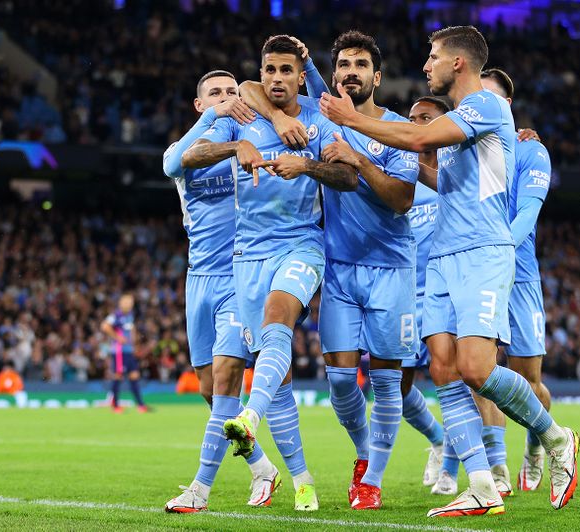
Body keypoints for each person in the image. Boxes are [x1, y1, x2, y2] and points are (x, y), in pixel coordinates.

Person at [320, 25, 579, 517]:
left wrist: (351, 121)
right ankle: (481, 482)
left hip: (483, 252)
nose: (426, 65)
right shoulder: (464, 121)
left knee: (477, 368)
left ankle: (557, 437)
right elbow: (439, 176)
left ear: (459, 63)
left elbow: (417, 136)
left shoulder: (486, 106)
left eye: (433, 56)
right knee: (442, 369)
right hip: (440, 257)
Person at [240, 31, 418, 511]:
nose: (351, 72)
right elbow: (249, 87)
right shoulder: (322, 118)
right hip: (340, 267)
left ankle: (372, 479)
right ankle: (364, 452)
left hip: (392, 269)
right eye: (343, 64)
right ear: (332, 73)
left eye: (361, 64)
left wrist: (354, 158)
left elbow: (402, 200)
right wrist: (280, 117)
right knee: (340, 382)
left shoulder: (398, 128)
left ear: (376, 77)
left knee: (384, 381)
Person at [181, 34, 358, 512]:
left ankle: (248, 419)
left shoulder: (318, 120)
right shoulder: (242, 114)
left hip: (301, 246)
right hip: (246, 258)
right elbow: (189, 156)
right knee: (273, 380)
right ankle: (301, 479)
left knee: (279, 317)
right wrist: (233, 147)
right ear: (261, 75)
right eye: (269, 71)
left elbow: (349, 176)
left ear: (301, 76)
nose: (277, 79)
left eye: (286, 71)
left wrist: (307, 165)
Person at [162, 70, 282, 513]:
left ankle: (199, 490)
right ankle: (261, 468)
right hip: (199, 282)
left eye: (233, 92)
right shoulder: (191, 152)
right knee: (212, 392)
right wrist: (217, 118)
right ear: (201, 105)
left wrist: (240, 135)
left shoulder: (250, 144)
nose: (229, 99)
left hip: (239, 279)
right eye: (216, 94)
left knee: (229, 378)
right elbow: (172, 164)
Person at [473, 68, 554, 496]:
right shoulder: (469, 144)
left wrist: (500, 247)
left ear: (506, 105)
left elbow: (528, 213)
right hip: (480, 270)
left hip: (518, 273)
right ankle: (497, 465)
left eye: (490, 98)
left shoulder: (529, 151)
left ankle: (536, 447)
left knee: (528, 379)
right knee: (481, 372)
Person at [405, 96, 464, 496]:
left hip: (448, 295)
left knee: (453, 384)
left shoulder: (462, 174)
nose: (417, 124)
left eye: (426, 118)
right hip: (405, 298)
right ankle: (437, 436)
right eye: (411, 119)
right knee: (395, 387)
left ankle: (452, 470)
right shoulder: (402, 175)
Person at [100, 293, 148, 414]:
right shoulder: (116, 315)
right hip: (119, 351)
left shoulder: (129, 315)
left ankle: (141, 405)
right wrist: (117, 337)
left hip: (129, 351)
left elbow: (131, 330)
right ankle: (115, 405)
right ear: (122, 303)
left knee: (134, 375)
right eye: (128, 302)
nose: (130, 305)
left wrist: (134, 344)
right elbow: (104, 326)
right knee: (118, 376)